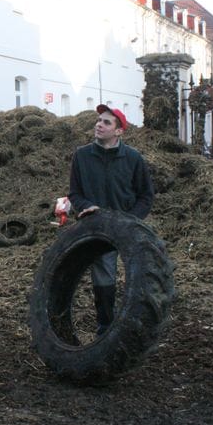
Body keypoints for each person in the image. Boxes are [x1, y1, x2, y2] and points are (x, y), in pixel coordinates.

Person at [69, 104, 155, 335]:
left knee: (139, 272)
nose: (99, 124)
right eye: (98, 120)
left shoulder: (133, 158)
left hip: (128, 226)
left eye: (107, 122)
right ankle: (105, 325)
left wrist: (130, 220)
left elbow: (146, 196)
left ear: (119, 131)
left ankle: (139, 322)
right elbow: (74, 194)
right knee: (104, 273)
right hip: (96, 225)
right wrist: (87, 207)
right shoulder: (82, 156)